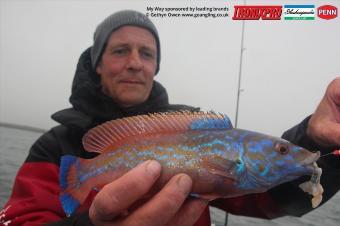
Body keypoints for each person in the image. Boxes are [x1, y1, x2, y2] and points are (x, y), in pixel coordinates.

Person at [0, 9, 339, 226]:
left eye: (146, 53)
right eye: (120, 50)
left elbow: (269, 202)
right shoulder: (54, 146)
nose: (135, 62)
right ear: (97, 63)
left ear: (155, 66)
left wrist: (314, 140)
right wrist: (89, 224)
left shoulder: (193, 123)